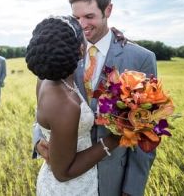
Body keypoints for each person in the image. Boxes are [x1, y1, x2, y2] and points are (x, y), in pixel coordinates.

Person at [33, 0, 158, 196]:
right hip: (66, 179)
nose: (81, 25)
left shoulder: (141, 59)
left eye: (89, 16)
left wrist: (132, 189)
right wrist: (37, 140)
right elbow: (44, 106)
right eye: (76, 17)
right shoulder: (60, 52)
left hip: (114, 178)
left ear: (108, 9)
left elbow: (147, 131)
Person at [26, 16, 121, 195]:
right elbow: (63, 172)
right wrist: (113, 140)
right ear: (81, 50)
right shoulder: (66, 104)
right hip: (71, 188)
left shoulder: (44, 79)